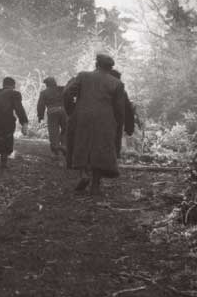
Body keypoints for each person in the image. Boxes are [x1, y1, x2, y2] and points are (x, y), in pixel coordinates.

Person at [63, 54, 125, 196]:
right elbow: (120, 109)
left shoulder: (83, 76)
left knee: (81, 143)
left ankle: (84, 174)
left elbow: (67, 93)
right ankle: (95, 185)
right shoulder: (117, 83)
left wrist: (71, 110)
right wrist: (118, 125)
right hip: (105, 118)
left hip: (82, 115)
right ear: (110, 68)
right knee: (100, 149)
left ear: (96, 64)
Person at [37, 76, 67, 158]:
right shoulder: (63, 89)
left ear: (47, 84)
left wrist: (40, 116)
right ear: (55, 82)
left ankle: (55, 150)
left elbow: (41, 105)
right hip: (64, 111)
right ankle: (64, 145)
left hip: (52, 112)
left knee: (53, 131)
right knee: (66, 129)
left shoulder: (44, 93)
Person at [109, 69, 135, 157]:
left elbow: (128, 109)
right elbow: (128, 110)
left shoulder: (99, 89)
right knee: (115, 142)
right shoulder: (121, 92)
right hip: (116, 121)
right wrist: (129, 127)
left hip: (111, 121)